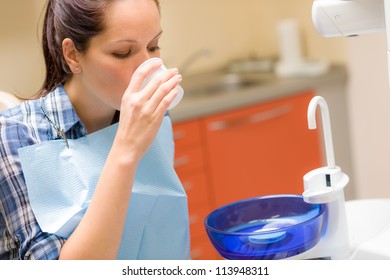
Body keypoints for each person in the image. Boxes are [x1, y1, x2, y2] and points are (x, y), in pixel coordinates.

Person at [0, 0, 185, 260]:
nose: (148, 69)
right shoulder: (15, 136)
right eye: (122, 52)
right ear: (73, 55)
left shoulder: (149, 115)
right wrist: (125, 150)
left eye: (153, 46)